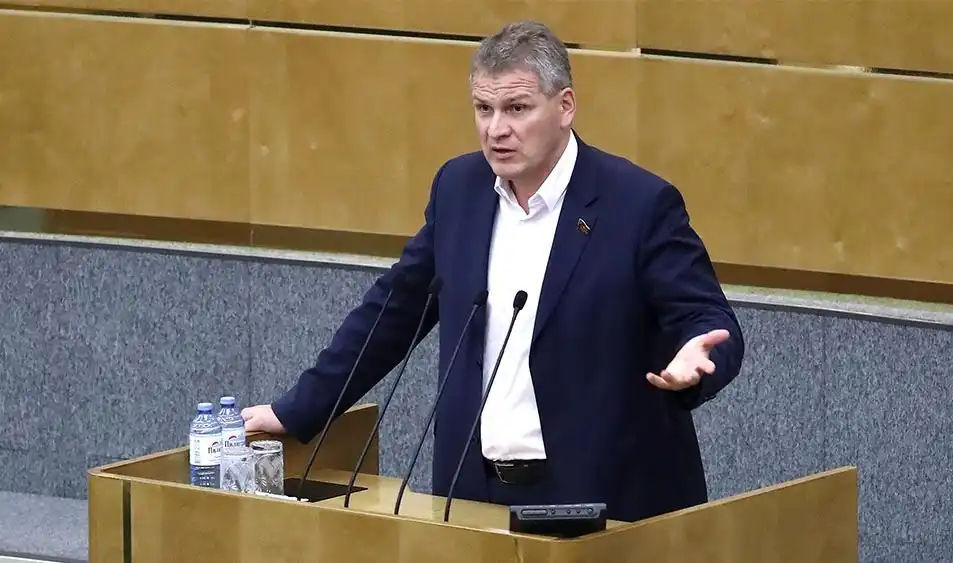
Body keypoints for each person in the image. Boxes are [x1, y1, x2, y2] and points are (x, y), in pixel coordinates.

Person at [242, 20, 744, 523]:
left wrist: (697, 361)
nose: (496, 129)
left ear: (565, 106)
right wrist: (298, 410)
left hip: (603, 499)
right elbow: (393, 312)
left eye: (517, 109)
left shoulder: (637, 204)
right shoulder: (459, 189)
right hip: (472, 496)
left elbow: (707, 320)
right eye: (484, 109)